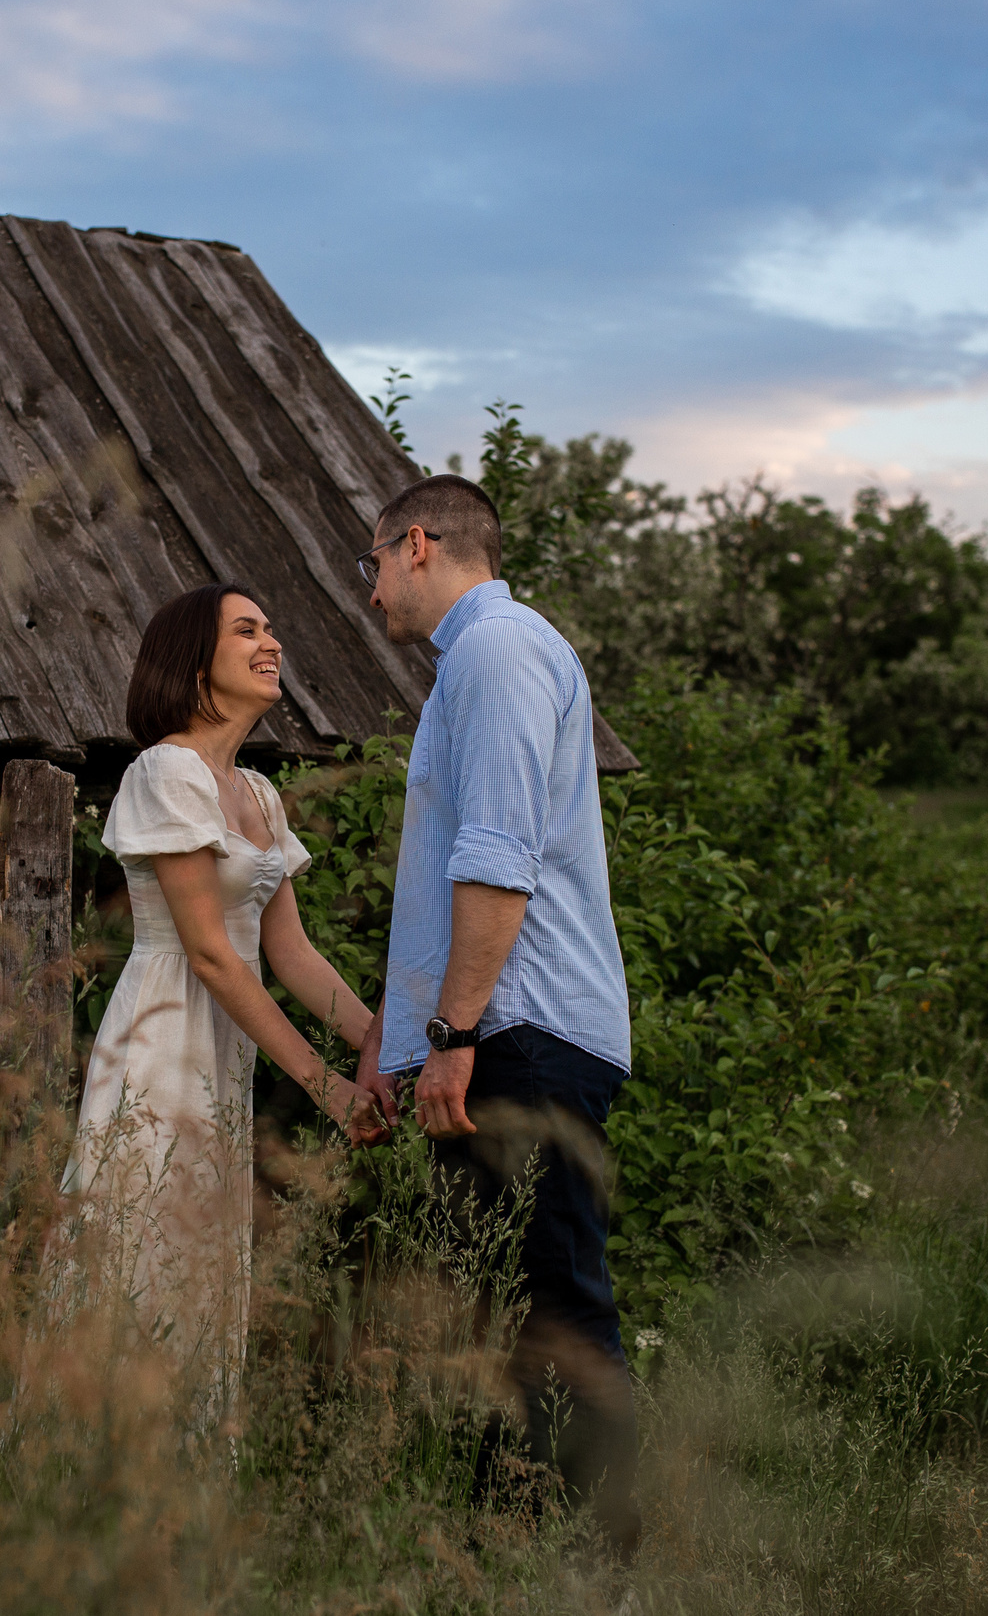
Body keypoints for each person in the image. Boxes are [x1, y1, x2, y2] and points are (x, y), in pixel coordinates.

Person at [353, 476, 641, 1555]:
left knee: (555, 1305)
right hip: (494, 1034)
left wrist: (454, 1039)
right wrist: (398, 1047)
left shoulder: (501, 650)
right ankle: (508, 1544)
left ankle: (599, 1557)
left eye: (372, 563)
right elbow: (435, 890)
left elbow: (497, 864)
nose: (371, 591)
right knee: (502, 1313)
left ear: (416, 544)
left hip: (521, 1035)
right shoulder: (468, 667)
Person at [61, 582, 389, 1421]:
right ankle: (99, 1476)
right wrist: (325, 1084)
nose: (270, 641)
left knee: (201, 1259)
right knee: (144, 1249)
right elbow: (210, 951)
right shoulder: (166, 770)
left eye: (271, 627)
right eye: (247, 629)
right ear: (193, 661)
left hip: (227, 1046)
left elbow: (290, 952)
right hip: (163, 1036)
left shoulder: (259, 792)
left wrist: (384, 1048)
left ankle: (186, 1496)